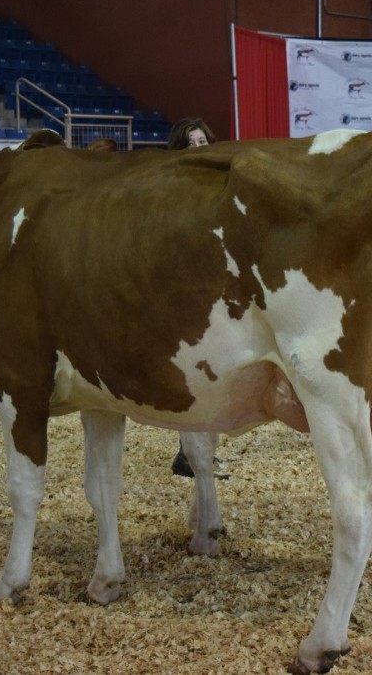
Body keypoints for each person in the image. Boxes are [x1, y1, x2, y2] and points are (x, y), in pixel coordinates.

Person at [165, 116, 215, 477]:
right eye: (192, 143)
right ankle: (190, 452)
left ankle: (198, 453)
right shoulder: (174, 189)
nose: (199, 148)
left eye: (202, 142)